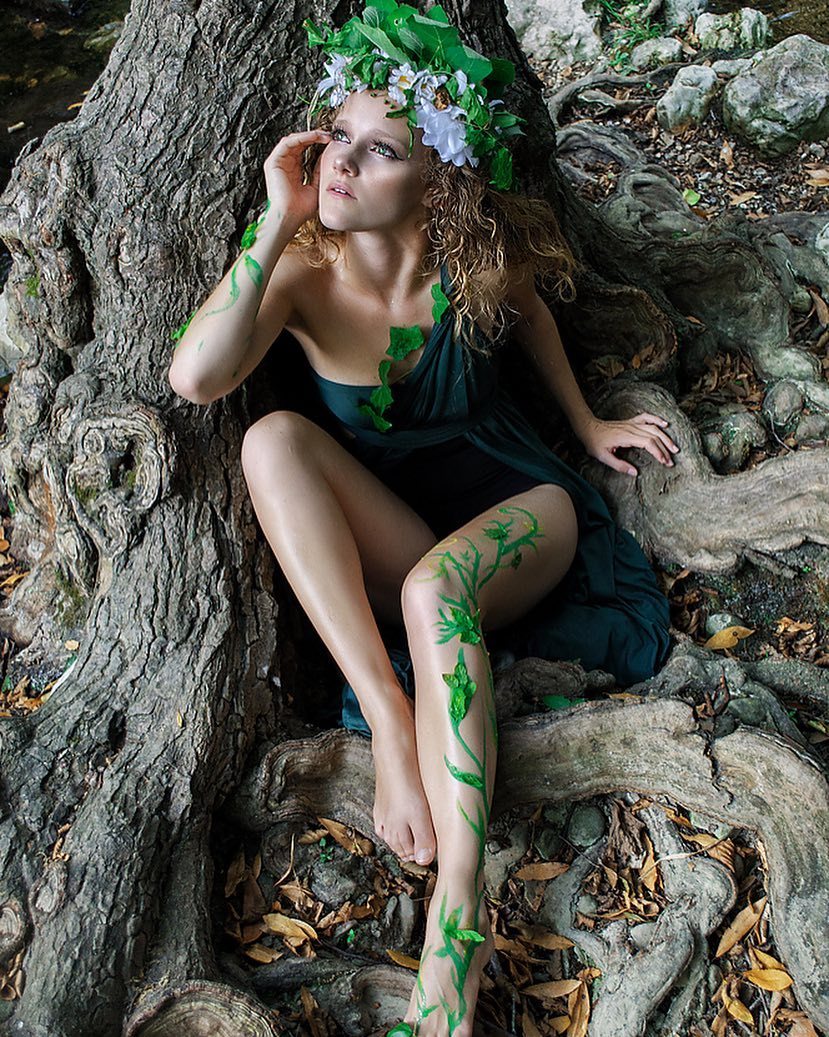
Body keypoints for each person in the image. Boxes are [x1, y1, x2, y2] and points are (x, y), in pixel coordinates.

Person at [168, 4, 677, 1034]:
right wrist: (274, 219)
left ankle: (459, 916)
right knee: (270, 440)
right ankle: (392, 720)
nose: (342, 163)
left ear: (438, 178)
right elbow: (195, 378)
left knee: (437, 587)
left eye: (382, 149)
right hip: (402, 530)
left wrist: (585, 422)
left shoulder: (471, 254)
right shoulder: (301, 270)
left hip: (523, 512)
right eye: (338, 137)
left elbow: (531, 313)